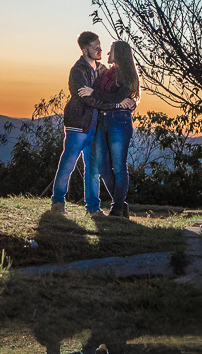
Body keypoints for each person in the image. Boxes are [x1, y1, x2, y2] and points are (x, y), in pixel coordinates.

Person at [78, 41, 140, 218]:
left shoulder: (128, 75)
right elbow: (106, 96)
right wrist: (107, 100)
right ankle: (121, 203)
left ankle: (117, 207)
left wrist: (97, 95)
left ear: (119, 53)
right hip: (102, 120)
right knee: (103, 166)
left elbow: (115, 96)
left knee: (119, 167)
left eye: (111, 51)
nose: (107, 54)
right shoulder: (106, 73)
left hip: (120, 121)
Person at [49, 32, 104, 215]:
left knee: (93, 168)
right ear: (84, 49)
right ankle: (58, 202)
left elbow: (100, 94)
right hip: (78, 124)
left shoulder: (102, 70)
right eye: (95, 47)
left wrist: (98, 95)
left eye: (100, 46)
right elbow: (84, 96)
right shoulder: (78, 70)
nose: (100, 50)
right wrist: (105, 100)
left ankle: (93, 208)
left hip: (96, 125)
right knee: (68, 163)